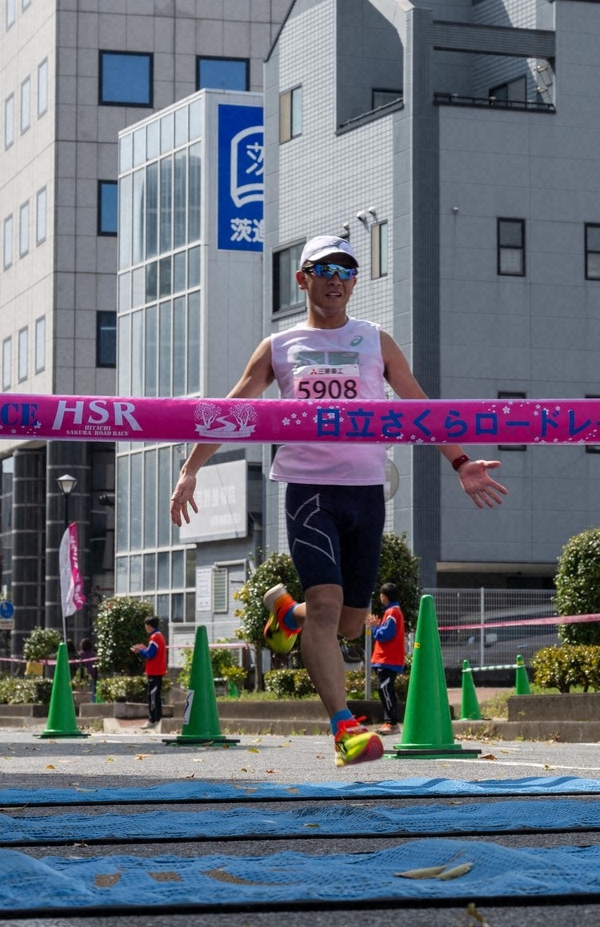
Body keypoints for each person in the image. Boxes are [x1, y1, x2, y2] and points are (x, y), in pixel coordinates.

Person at [169, 235, 508, 766]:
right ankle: (344, 729)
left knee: (351, 624)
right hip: (309, 490)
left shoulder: (375, 341)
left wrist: (461, 462)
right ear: (301, 279)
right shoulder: (279, 346)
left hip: (366, 492)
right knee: (327, 609)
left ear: (354, 282)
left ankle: (288, 615)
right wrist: (191, 469)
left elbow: (418, 405)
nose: (335, 278)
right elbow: (233, 407)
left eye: (345, 270)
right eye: (323, 269)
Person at [367, 583, 406, 733]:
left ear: (384, 596)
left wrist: (374, 627)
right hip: (387, 659)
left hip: (387, 659)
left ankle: (392, 723)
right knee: (385, 689)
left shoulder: (392, 612)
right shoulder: (393, 612)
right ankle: (389, 722)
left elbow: (385, 634)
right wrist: (377, 627)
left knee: (385, 689)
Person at [131, 617, 167, 730]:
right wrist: (145, 649)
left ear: (149, 625)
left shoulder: (154, 637)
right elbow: (152, 651)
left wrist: (139, 650)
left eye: (146, 625)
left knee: (152, 696)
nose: (145, 627)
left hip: (154, 671)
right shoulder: (159, 636)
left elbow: (150, 654)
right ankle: (157, 718)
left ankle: (153, 720)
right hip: (158, 670)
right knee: (155, 696)